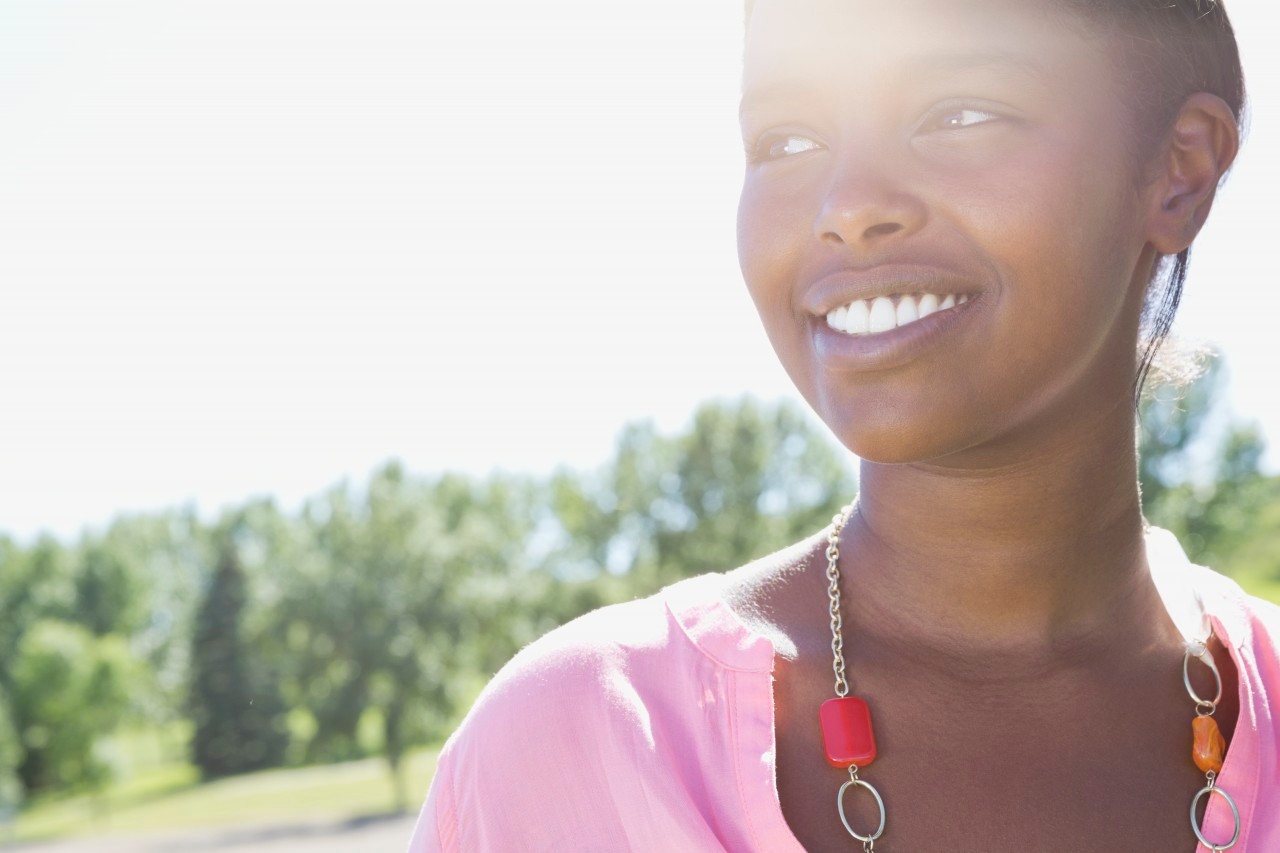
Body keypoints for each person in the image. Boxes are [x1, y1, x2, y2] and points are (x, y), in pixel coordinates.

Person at [409, 1, 1279, 850]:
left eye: (958, 114)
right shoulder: (582, 748)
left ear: (1181, 167)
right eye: (787, 141)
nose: (848, 204)